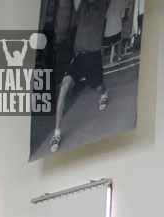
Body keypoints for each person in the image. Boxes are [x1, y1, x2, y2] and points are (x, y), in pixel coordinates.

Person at [50, 0, 109, 153]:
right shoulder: (82, 5)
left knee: (98, 87)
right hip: (78, 58)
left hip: (92, 57)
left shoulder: (101, 6)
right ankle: (57, 132)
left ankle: (104, 93)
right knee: (64, 87)